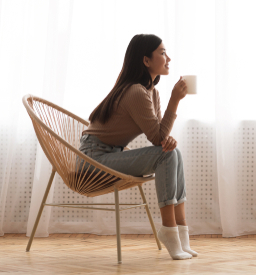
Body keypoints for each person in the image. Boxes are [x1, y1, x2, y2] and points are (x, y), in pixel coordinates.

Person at [78, 34, 196, 260]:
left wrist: (168, 141)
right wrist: (175, 100)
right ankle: (169, 232)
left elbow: (160, 138)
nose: (168, 58)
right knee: (167, 156)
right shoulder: (135, 92)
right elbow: (157, 137)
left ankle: (181, 234)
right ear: (146, 60)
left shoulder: (151, 92)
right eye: (162, 52)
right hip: (92, 160)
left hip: (111, 155)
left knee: (173, 153)